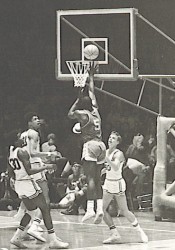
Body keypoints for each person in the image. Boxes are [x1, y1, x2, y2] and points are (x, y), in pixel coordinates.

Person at [8, 132, 69, 249]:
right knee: (45, 208)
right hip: (27, 183)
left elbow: (11, 172)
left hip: (18, 184)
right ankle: (53, 240)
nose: (24, 140)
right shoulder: (22, 152)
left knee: (31, 211)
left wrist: (13, 182)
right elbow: (30, 171)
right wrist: (46, 166)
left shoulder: (12, 153)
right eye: (22, 138)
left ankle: (16, 237)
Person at [68, 62, 106, 223]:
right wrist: (90, 76)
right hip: (101, 145)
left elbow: (69, 114)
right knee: (97, 179)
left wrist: (77, 100)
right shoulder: (95, 110)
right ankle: (100, 208)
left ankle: (90, 209)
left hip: (90, 145)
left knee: (90, 178)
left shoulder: (82, 115)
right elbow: (92, 93)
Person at [101, 131, 148, 244]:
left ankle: (139, 231)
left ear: (117, 142)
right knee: (101, 210)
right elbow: (106, 168)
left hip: (117, 183)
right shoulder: (106, 152)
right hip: (108, 182)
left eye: (113, 138)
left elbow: (116, 167)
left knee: (124, 211)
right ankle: (114, 233)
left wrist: (105, 158)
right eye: (110, 137)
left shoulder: (119, 154)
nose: (110, 139)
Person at [18, 112, 59, 240]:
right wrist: (48, 154)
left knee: (30, 202)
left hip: (25, 169)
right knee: (45, 199)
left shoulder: (23, 135)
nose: (38, 121)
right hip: (35, 166)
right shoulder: (34, 133)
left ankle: (23, 233)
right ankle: (35, 225)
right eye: (35, 119)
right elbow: (32, 153)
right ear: (29, 122)